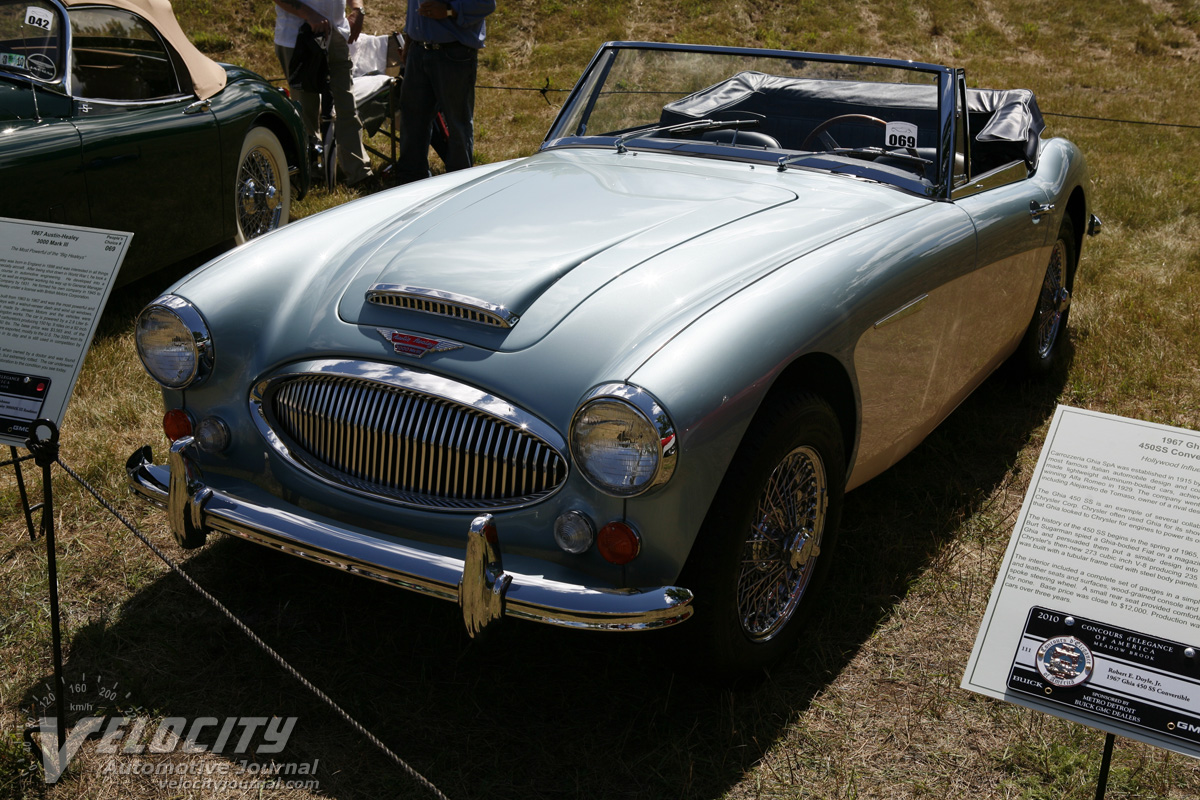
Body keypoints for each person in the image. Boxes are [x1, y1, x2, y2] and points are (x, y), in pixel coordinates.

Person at [273, 0, 374, 186]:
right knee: (306, 112)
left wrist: (359, 10)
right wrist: (308, 14)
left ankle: (358, 172)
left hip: (336, 33)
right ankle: (313, 172)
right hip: (299, 37)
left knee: (347, 106)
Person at [394, 0, 496, 184]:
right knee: (412, 121)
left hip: (454, 53)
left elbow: (485, 4)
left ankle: (458, 186)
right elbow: (414, 7)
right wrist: (409, 42)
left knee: (457, 123)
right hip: (418, 51)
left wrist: (450, 11)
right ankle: (411, 185)